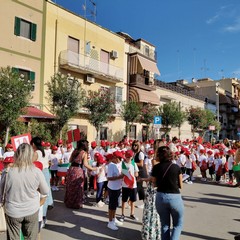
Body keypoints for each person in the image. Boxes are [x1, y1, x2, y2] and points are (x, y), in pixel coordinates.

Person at [0, 143, 49, 240]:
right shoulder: (36, 172)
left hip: (13, 211)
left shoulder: (7, 172)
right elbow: (45, 191)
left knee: (13, 237)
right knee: (30, 237)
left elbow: (1, 193)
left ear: (16, 154)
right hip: (31, 210)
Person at [151, 146, 184, 240]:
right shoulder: (176, 167)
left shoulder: (156, 167)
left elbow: (154, 184)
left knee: (164, 225)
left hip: (160, 197)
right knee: (177, 225)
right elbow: (181, 185)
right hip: (175, 197)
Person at [64, 140, 97, 209]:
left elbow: (70, 160)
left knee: (70, 186)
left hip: (71, 169)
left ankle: (69, 202)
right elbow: (85, 164)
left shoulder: (75, 151)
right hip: (78, 170)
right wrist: (94, 169)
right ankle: (76, 203)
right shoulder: (84, 153)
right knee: (78, 187)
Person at [31, 136, 53, 227]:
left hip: (39, 173)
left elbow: (30, 163)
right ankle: (44, 217)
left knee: (39, 195)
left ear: (33, 144)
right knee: (45, 194)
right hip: (46, 172)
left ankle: (41, 218)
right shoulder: (44, 151)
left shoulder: (36, 153)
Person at [107, 150, 124, 230]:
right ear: (114, 157)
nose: (120, 160)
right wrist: (119, 177)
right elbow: (109, 178)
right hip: (112, 188)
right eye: (119, 158)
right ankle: (110, 222)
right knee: (112, 206)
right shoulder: (111, 165)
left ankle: (114, 218)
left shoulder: (119, 163)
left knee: (115, 205)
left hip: (118, 187)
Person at [120, 149, 139, 222]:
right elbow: (122, 174)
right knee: (124, 200)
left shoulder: (134, 164)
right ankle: (122, 214)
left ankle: (132, 213)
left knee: (133, 200)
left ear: (132, 157)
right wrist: (126, 174)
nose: (128, 158)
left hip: (133, 185)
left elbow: (137, 173)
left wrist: (132, 175)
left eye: (129, 157)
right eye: (127, 157)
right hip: (125, 185)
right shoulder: (123, 164)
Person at [132, 140, 145, 209]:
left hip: (140, 172)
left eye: (136, 145)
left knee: (139, 187)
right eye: (133, 145)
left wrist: (133, 163)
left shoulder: (140, 154)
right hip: (136, 171)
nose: (134, 146)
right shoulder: (135, 153)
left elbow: (141, 164)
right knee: (138, 187)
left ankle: (144, 202)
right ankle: (144, 202)